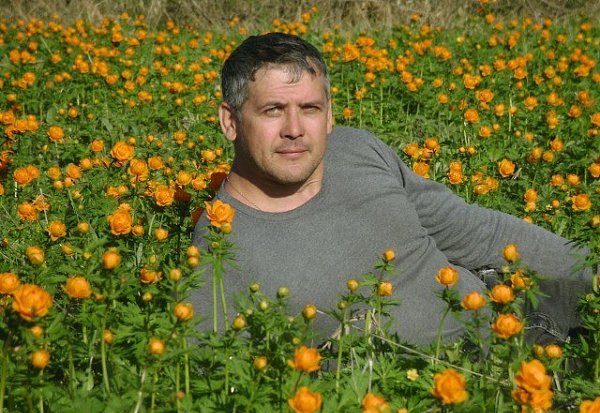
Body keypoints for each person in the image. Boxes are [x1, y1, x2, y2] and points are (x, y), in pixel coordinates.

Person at [190, 32, 592, 346]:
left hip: (517, 323)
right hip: (444, 398)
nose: (294, 129)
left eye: (310, 108)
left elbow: (474, 231)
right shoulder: (221, 249)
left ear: (329, 115)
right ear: (230, 121)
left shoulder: (354, 149)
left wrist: (591, 273)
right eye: (273, 110)